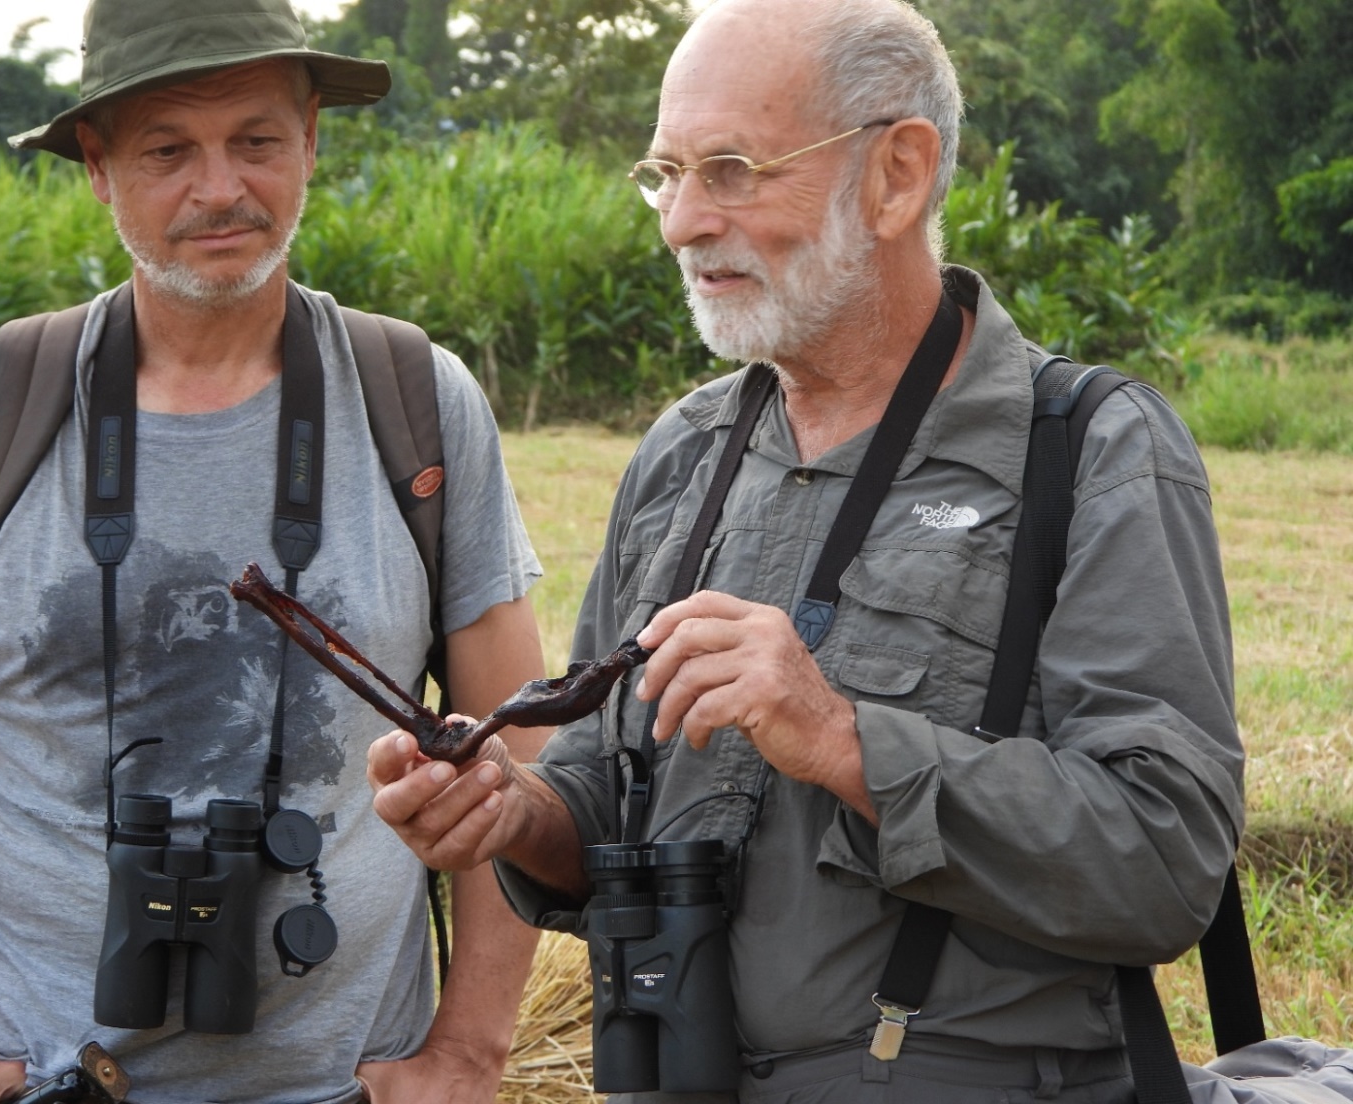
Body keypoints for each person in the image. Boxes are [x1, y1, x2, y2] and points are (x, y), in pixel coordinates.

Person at [367, 0, 1244, 1101]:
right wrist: (511, 810)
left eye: (732, 171)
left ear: (895, 175)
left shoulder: (1088, 451)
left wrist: (839, 738)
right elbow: (597, 803)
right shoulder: (682, 456)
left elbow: (1165, 864)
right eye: (665, 173)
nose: (681, 223)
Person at [0, 0, 549, 1101]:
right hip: (46, 1075)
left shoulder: (418, 401)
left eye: (256, 140)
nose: (220, 189)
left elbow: (511, 747)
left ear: (311, 142)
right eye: (167, 151)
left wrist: (470, 1051)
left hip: (347, 1082)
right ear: (98, 167)